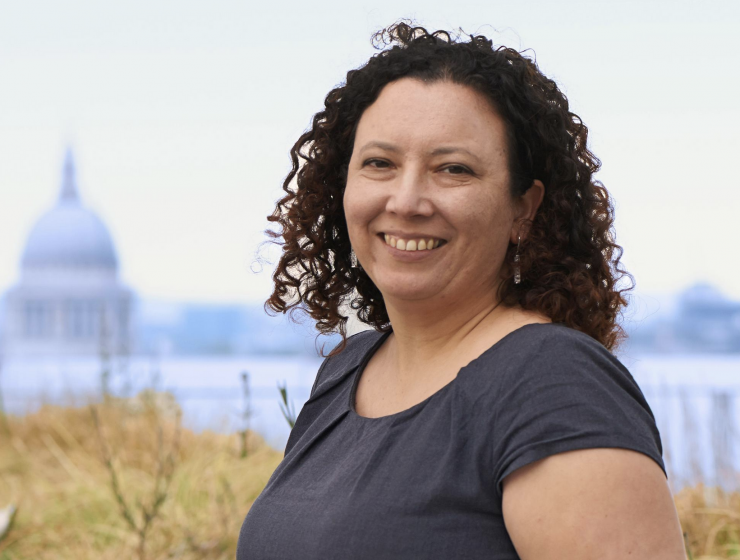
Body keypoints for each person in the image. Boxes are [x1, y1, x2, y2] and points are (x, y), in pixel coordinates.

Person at [237, 22, 686, 560]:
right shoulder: (345, 371)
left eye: (453, 169)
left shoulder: (554, 384)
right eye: (380, 163)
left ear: (523, 208)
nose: (406, 201)